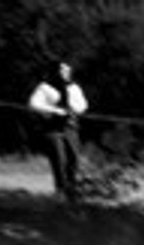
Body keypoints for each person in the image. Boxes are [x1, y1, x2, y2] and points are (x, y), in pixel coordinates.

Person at [28, 60, 88, 200]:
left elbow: (83, 105)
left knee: (74, 159)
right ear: (55, 71)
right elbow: (33, 103)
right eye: (62, 70)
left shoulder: (74, 88)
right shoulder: (45, 87)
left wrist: (74, 108)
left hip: (70, 128)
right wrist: (54, 110)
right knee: (59, 159)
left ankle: (71, 188)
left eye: (67, 70)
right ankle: (60, 190)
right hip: (52, 129)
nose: (65, 73)